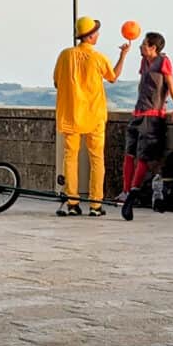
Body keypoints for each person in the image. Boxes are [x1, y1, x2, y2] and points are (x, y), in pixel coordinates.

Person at [53, 15, 131, 217]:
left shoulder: (64, 55)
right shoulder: (97, 57)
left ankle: (72, 202)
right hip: (94, 115)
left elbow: (56, 82)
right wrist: (123, 55)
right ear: (90, 36)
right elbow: (113, 77)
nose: (98, 35)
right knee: (97, 159)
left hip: (71, 115)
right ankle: (95, 204)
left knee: (70, 159)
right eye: (96, 32)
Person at [119, 32, 173, 222]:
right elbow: (142, 85)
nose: (140, 47)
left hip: (152, 116)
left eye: (144, 44)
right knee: (130, 154)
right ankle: (125, 190)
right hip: (138, 113)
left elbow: (170, 84)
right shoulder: (144, 62)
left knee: (143, 157)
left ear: (153, 47)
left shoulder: (163, 62)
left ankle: (133, 193)